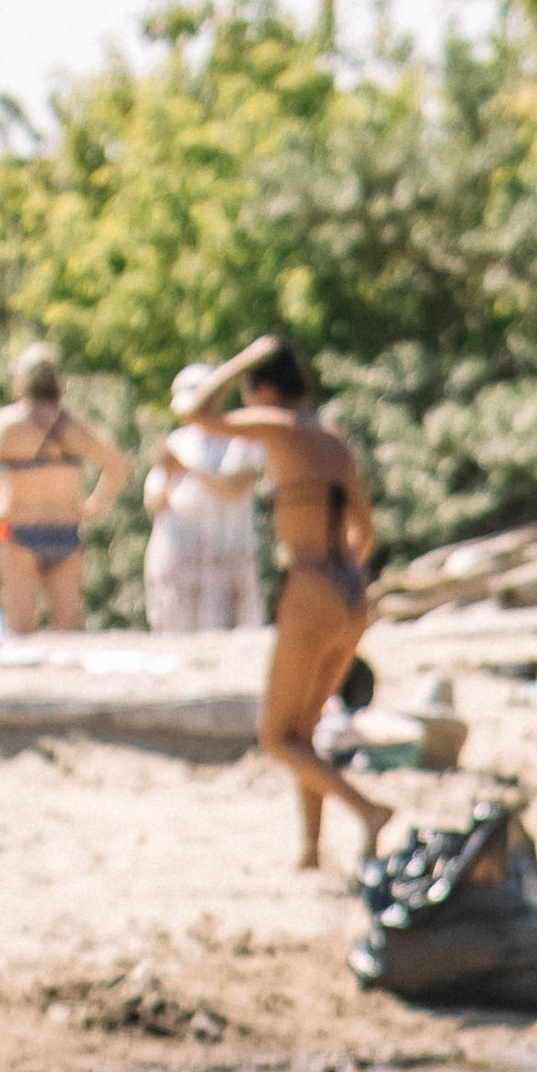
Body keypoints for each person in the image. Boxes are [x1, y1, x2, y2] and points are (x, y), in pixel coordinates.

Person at [196, 336, 385, 869]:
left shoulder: (278, 425)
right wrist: (342, 579)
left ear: (263, 389)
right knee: (305, 733)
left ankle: (369, 811)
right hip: (352, 594)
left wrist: (242, 358)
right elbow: (365, 530)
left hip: (310, 589)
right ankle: (311, 851)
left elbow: (194, 413)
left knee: (277, 737)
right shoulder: (332, 436)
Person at [0, 349, 124, 637]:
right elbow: (118, 465)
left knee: (21, 631)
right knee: (68, 631)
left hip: (16, 532)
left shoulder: (7, 423)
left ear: (21, 379)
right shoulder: (73, 425)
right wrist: (92, 506)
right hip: (65, 529)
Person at [141, 364, 266, 635]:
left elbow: (236, 489)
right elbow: (155, 501)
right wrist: (170, 472)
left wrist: (188, 468)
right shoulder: (176, 441)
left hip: (227, 559)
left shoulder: (241, 440)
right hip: (181, 561)